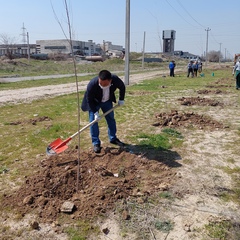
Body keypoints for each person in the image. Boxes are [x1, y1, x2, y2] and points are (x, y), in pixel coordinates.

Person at [81, 70, 126, 153]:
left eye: (105, 84)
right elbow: (89, 100)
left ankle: (113, 138)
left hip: (107, 101)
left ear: (110, 81)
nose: (102, 85)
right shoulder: (92, 84)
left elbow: (122, 87)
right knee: (93, 122)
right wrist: (95, 112)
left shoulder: (115, 79)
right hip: (94, 103)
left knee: (111, 119)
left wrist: (121, 99)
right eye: (100, 83)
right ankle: (96, 143)